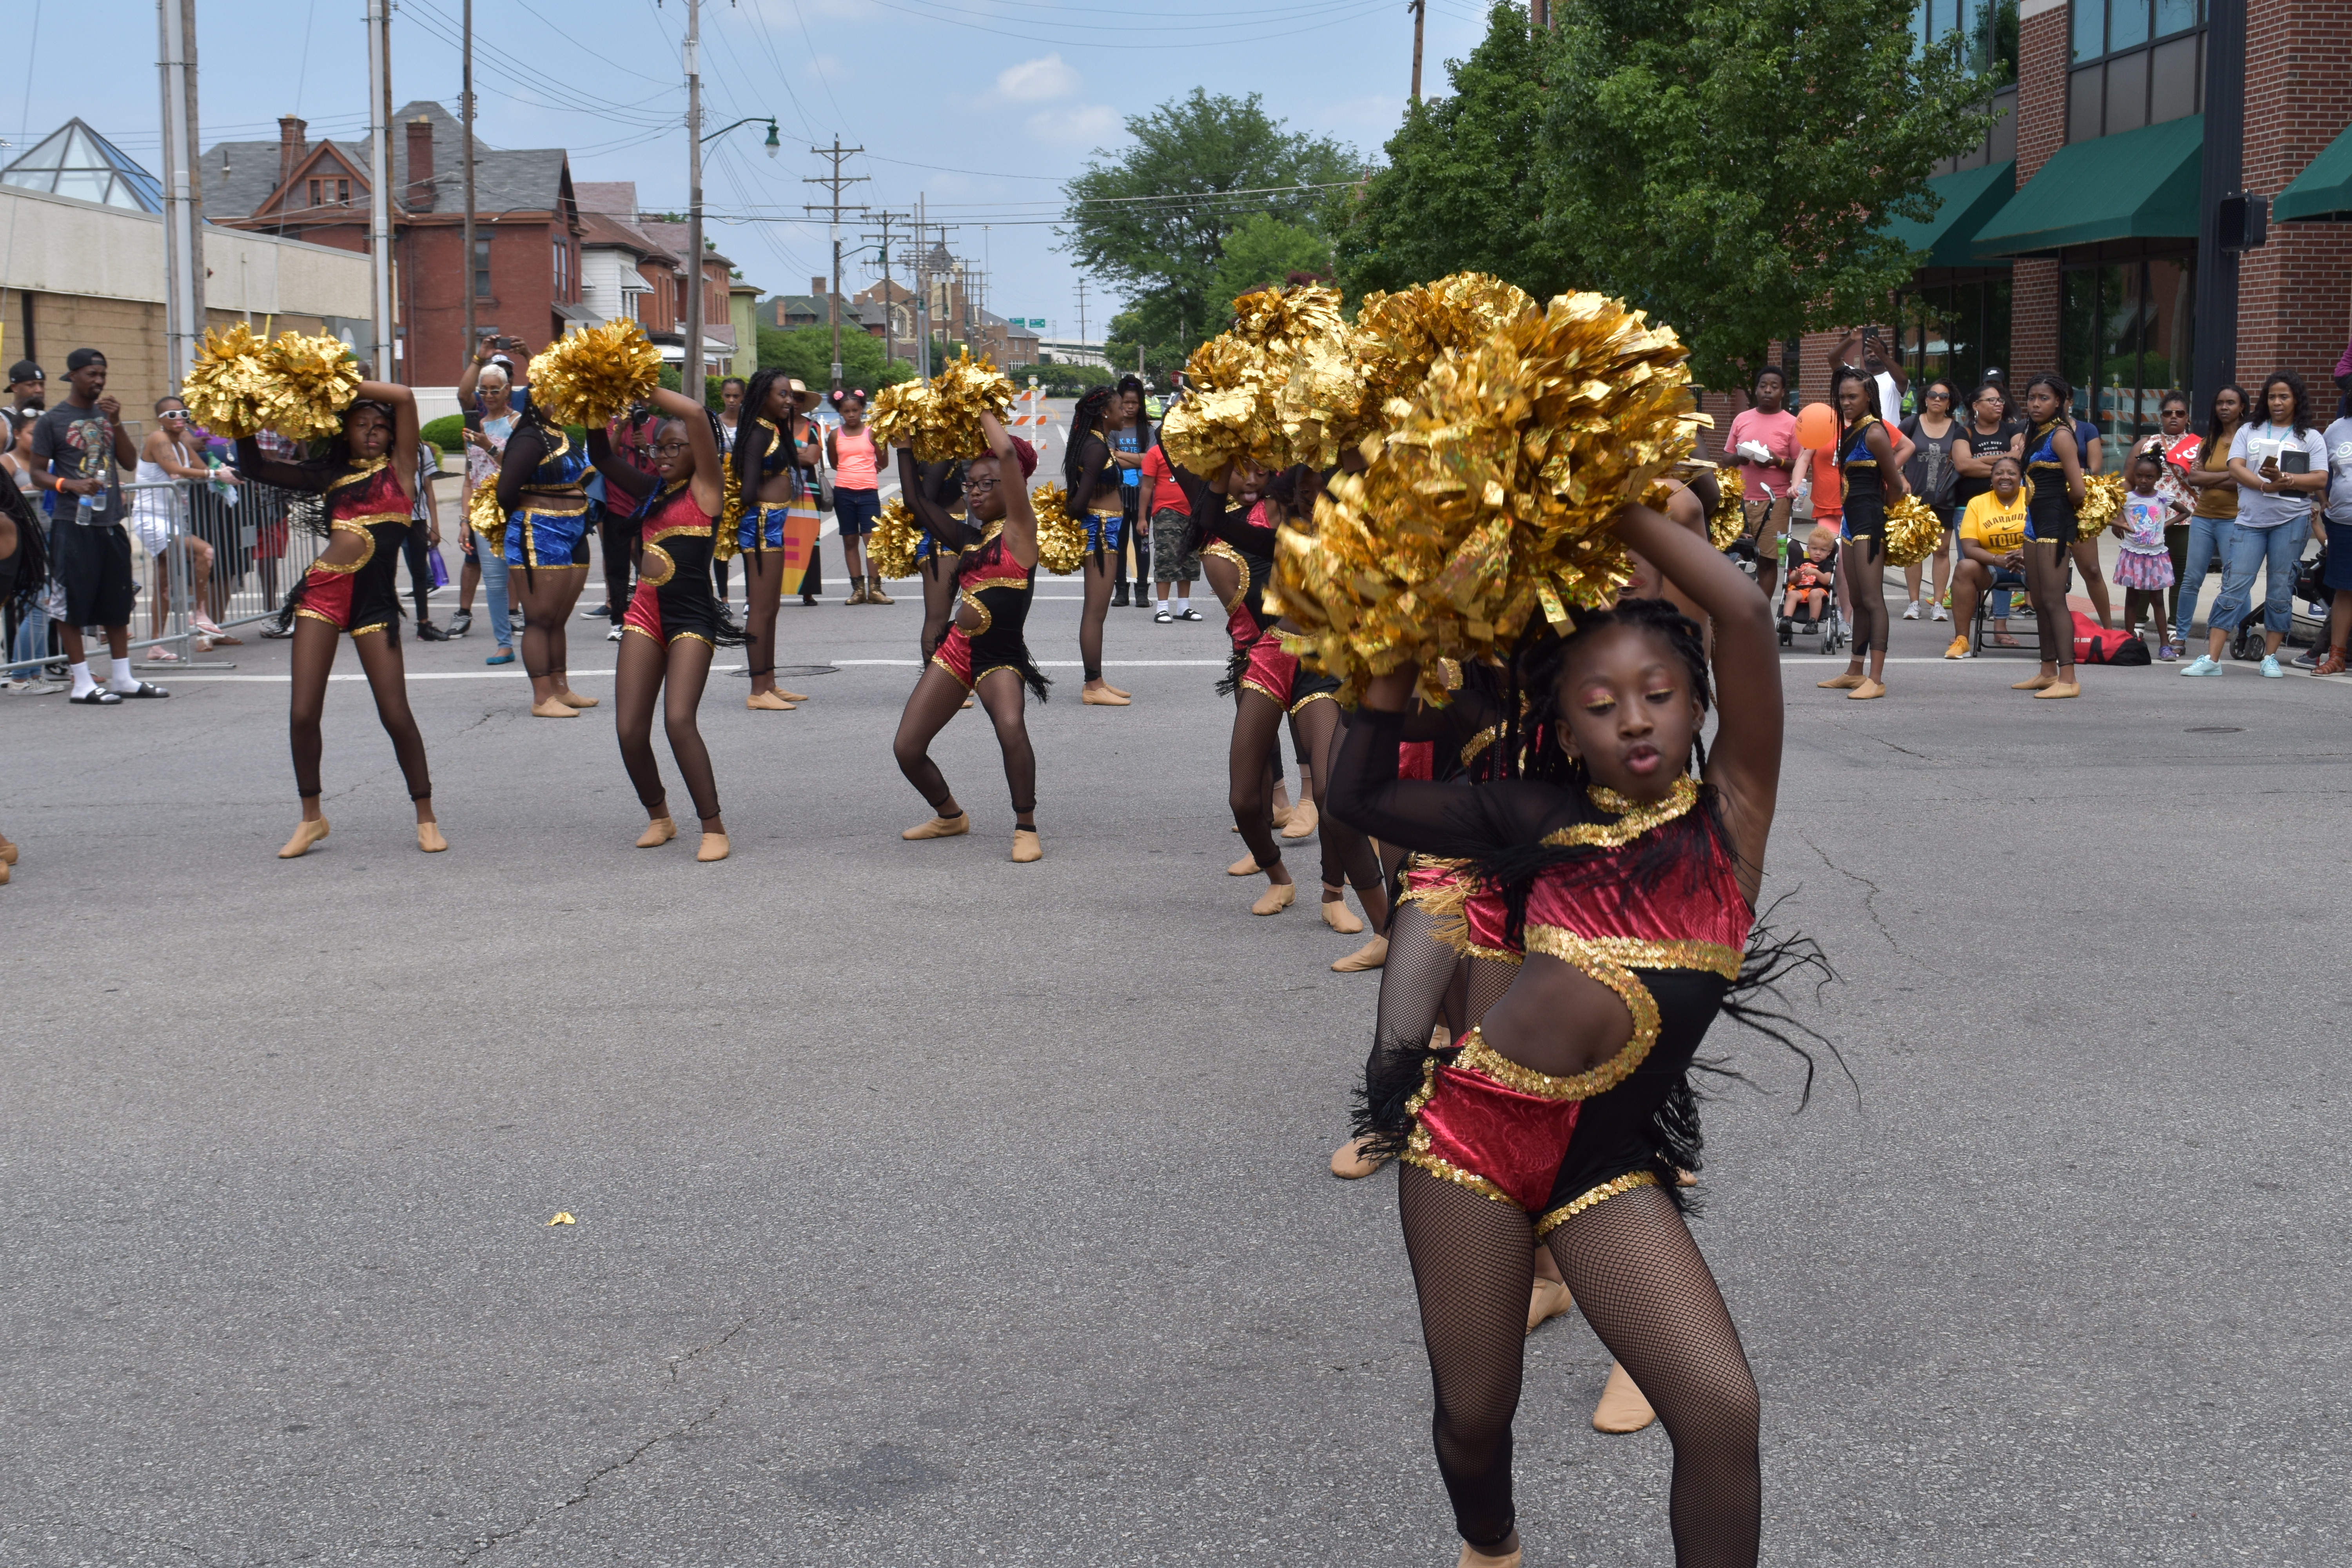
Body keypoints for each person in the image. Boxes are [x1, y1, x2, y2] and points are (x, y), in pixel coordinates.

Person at [1331, 501, 1797, 1568]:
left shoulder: (1733, 815)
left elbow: (1745, 611)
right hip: (1471, 1148)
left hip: (1602, 1166)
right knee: (1477, 1412)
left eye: (1657, 696)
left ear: (1695, 706)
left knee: (1724, 1410)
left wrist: (1609, 483)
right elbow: (1353, 792)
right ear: (1568, 726)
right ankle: (1490, 1545)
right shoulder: (1533, 818)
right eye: (1601, 706)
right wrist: (1397, 648)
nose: (1633, 720)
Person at [232, 383, 444, 857]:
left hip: (375, 606)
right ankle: (312, 818)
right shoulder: (328, 476)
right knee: (304, 712)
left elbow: (406, 396)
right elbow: (255, 467)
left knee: (395, 713)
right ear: (344, 433)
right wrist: (241, 411)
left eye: (381, 426)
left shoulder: (401, 470)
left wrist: (332, 382)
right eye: (361, 425)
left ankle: (426, 814)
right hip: (323, 596)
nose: (372, 432)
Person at [586, 385, 737, 861]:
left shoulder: (707, 489)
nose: (665, 453)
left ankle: (712, 826)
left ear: (699, 447)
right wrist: (592, 395)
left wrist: (636, 383)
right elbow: (600, 457)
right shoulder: (650, 491)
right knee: (630, 727)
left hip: (691, 616)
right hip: (645, 613)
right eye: (659, 447)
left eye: (677, 446)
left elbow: (694, 411)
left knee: (677, 719)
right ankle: (659, 815)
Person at [890, 414, 1049, 862]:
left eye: (987, 484)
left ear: (1011, 485)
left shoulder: (1021, 531)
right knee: (906, 747)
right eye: (970, 485)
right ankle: (949, 815)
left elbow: (1005, 455)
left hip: (999, 655)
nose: (975, 492)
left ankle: (1026, 825)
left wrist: (978, 409)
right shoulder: (969, 539)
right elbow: (916, 502)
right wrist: (904, 446)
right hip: (958, 652)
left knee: (1011, 726)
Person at [31, 348, 165, 705]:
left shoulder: (107, 417)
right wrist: (68, 485)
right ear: (73, 375)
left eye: (103, 374)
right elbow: (37, 473)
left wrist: (118, 422)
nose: (99, 381)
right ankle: (81, 683)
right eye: (92, 374)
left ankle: (123, 678)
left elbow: (129, 461)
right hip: (71, 524)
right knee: (72, 602)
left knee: (117, 599)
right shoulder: (52, 421)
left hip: (109, 521)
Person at [2187, 371, 2329, 678]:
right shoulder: (2249, 430)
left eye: (2284, 397)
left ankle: (2271, 657)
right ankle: (2212, 659)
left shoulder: (2310, 436)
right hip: (2250, 521)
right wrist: (2266, 487)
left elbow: (2320, 478)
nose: (2277, 402)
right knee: (2234, 587)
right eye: (2272, 396)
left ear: (2296, 400)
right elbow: (2235, 467)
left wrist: (2288, 480)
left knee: (2280, 589)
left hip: (2291, 521)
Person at [484, 372, 600, 718]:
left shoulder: (562, 435)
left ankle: (561, 688)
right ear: (537, 401)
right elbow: (506, 492)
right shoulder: (530, 438)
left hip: (576, 532)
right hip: (539, 533)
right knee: (539, 618)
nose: (562, 403)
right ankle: (541, 697)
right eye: (555, 397)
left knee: (558, 619)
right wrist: (539, 513)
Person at [730, 370, 823, 710]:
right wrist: (764, 505)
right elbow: (746, 489)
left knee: (773, 606)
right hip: (761, 525)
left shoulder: (771, 430)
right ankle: (757, 690)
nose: (788, 401)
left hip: (775, 524)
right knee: (761, 607)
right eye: (781, 395)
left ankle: (769, 682)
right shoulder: (756, 433)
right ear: (763, 397)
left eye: (790, 395)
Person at [1816, 367, 1907, 700]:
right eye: (1842, 397)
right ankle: (1855, 671)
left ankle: (1876, 677)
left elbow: (1895, 484)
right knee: (1855, 599)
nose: (1846, 402)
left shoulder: (1875, 433)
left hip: (1869, 522)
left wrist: (1882, 513)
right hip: (1850, 523)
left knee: (1872, 599)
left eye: (1852, 396)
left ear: (1869, 396)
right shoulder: (1851, 429)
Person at [129, 396, 232, 660]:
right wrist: (214, 475)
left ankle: (155, 645)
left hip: (173, 518)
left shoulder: (182, 444)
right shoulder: (158, 439)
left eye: (183, 413)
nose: (179, 419)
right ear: (160, 420)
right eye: (172, 415)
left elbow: (203, 468)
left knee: (164, 582)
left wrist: (221, 471)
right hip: (152, 517)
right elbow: (174, 469)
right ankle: (198, 612)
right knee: (205, 552)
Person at [2013, 374, 2087, 698]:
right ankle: (2047, 670)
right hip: (2033, 523)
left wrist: (2062, 513)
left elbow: (2080, 489)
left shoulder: (2060, 436)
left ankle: (2068, 678)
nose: (2036, 404)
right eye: (2031, 398)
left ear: (2059, 401)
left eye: (2044, 398)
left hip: (2054, 523)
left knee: (2055, 600)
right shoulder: (2034, 434)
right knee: (2039, 599)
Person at [1065, 386, 1133, 705]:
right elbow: (1078, 504)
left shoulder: (1100, 442)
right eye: (1121, 407)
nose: (1126, 412)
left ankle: (1099, 680)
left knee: (1098, 612)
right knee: (1095, 612)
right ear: (1105, 412)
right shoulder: (1095, 449)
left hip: (1108, 529)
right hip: (1101, 533)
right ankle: (1092, 686)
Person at [453, 353, 523, 662]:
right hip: (483, 512)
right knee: (494, 582)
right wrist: (465, 520)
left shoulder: (518, 423)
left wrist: (489, 446)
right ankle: (504, 644)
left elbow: (519, 468)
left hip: (514, 507)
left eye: (496, 390)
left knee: (524, 576)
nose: (490, 396)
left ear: (508, 390)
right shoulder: (474, 428)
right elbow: (470, 478)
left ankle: (539, 637)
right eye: (485, 391)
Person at [2173, 385, 2247, 652]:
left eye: (2231, 403)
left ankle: (2244, 634)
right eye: (2220, 403)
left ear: (2242, 408)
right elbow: (2195, 478)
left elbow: (2245, 482)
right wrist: (2230, 475)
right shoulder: (2209, 440)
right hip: (2204, 517)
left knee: (2235, 580)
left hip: (2235, 519)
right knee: (2191, 578)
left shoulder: (2248, 440)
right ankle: (2180, 637)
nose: (2224, 408)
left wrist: (2217, 479)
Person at [2127, 391, 2199, 639]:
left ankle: (2174, 627)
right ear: (2162, 416)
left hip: (2184, 519)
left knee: (2180, 575)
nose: (2174, 418)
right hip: (2146, 521)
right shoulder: (2145, 444)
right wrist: (2119, 515)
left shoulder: (2199, 445)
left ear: (2187, 417)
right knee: (2146, 572)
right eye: (2168, 413)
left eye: (2180, 413)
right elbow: (2128, 481)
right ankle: (2138, 624)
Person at [1945, 454, 2031, 657]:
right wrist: (1996, 560)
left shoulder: (2032, 499)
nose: (2005, 477)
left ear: (2021, 478)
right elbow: (1969, 547)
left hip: (2030, 567)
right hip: (1992, 568)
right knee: (1965, 567)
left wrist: (2027, 552)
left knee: (2049, 566)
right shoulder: (1977, 503)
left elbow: (2047, 536)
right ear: (1991, 479)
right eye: (1999, 473)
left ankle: (2052, 646)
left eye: (2012, 473)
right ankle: (1962, 641)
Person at [1724, 366, 1798, 603]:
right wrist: (1739, 458)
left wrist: (1776, 461)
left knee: (1768, 560)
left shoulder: (1792, 423)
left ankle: (1760, 614)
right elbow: (1725, 459)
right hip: (1741, 501)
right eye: (1763, 386)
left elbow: (1800, 464)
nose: (1768, 390)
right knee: (1737, 556)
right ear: (1756, 390)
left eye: (1774, 387)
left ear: (1783, 392)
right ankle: (1738, 608)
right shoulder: (1741, 419)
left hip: (1776, 502)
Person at [1897, 379, 1961, 620]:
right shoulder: (1910, 424)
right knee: (1913, 550)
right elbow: (1891, 453)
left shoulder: (1958, 429)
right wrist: (1901, 479)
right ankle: (1914, 603)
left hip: (1945, 497)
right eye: (1932, 395)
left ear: (1949, 403)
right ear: (1924, 399)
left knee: (1942, 551)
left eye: (1943, 397)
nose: (1937, 399)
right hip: (1914, 498)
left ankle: (1938, 604)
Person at [2112, 449, 2184, 655]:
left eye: (2150, 477)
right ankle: (2127, 643)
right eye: (2139, 476)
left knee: (2158, 600)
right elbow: (2107, 518)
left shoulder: (2163, 498)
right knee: (2132, 598)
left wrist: (2165, 526)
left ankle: (2164, 646)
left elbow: (2186, 512)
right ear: (2133, 475)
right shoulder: (2126, 499)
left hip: (2156, 556)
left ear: (2158, 478)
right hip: (2133, 555)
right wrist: (2125, 526)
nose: (2144, 480)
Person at [828, 389, 891, 606]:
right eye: (846, 411)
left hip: (868, 492)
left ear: (862, 409)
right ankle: (858, 590)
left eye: (855, 410)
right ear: (840, 412)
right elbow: (835, 463)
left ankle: (876, 589)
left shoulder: (873, 432)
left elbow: (884, 461)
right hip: (843, 492)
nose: (852, 414)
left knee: (871, 540)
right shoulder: (835, 435)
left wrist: (871, 469)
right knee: (850, 540)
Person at [1137, 434, 1201, 622]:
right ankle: (1162, 608)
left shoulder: (1195, 452)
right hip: (1167, 511)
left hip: (1192, 512)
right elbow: (1147, 487)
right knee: (1167, 557)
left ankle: (1183, 607)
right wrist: (1143, 518)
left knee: (1190, 558)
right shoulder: (1156, 453)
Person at [2310, 400, 2352, 676]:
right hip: (2342, 524)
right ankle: (2336, 657)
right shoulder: (2336, 429)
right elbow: (2322, 474)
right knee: (2344, 590)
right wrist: (2323, 500)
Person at [402, 435, 445, 641]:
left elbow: (428, 489)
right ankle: (383, 624)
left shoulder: (421, 449)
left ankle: (424, 625)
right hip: (388, 518)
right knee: (384, 571)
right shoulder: (385, 446)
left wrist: (434, 524)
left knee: (419, 572)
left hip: (417, 518)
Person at [1779, 532, 1834, 625]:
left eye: (1823, 550)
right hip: (1800, 590)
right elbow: (1791, 579)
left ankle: (1813, 622)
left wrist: (1816, 572)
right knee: (1791, 594)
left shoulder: (1827, 563)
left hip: (1818, 590)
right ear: (1808, 549)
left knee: (1814, 594)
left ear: (1829, 552)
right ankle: (1786, 620)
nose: (1818, 553)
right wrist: (1797, 576)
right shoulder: (1802, 562)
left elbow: (1827, 581)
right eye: (1814, 549)